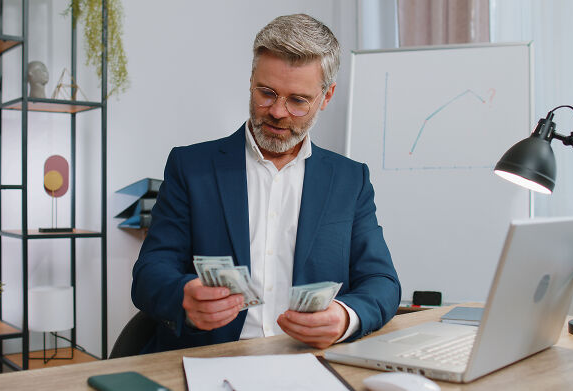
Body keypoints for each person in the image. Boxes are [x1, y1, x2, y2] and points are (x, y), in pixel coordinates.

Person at [132, 13, 401, 354]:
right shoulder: (191, 167)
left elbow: (382, 282)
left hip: (310, 359)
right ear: (251, 81)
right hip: (211, 358)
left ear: (327, 96)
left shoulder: (351, 180)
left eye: (298, 100)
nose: (277, 111)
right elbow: (149, 273)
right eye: (267, 93)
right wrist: (183, 295)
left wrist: (346, 317)